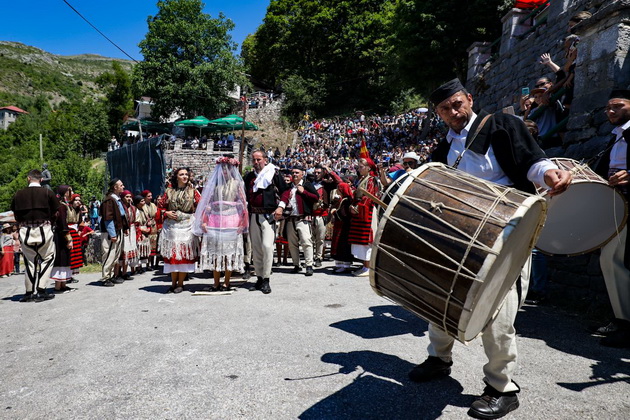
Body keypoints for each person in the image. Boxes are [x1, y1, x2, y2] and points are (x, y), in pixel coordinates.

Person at [409, 78, 572, 419]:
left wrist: (550, 174)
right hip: (459, 236)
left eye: (457, 104)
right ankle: (439, 359)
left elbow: (532, 161)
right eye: (445, 109)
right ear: (438, 114)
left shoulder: (502, 124)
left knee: (498, 313)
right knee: (442, 300)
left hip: (506, 231)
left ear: (469, 99)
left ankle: (502, 387)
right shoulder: (444, 148)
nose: (454, 112)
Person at [593, 89, 630, 348]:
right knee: (611, 260)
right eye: (608, 107)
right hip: (618, 205)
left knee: (613, 259)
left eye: (618, 106)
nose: (611, 111)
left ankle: (625, 323)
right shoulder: (617, 135)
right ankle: (621, 320)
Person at [193, 156, 249, 291]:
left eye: (227, 168)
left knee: (228, 252)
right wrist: (204, 220)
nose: (224, 171)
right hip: (215, 219)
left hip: (231, 219)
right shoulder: (215, 184)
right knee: (216, 252)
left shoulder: (237, 183)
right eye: (222, 168)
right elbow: (207, 203)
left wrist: (242, 222)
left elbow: (243, 204)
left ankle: (227, 282)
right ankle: (216, 281)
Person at [11, 169, 60, 302]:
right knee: (48, 258)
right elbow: (56, 211)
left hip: (25, 230)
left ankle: (29, 292)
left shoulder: (18, 194)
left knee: (29, 261)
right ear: (41, 179)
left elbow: (15, 213)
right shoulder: (47, 193)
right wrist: (51, 224)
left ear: (28, 179)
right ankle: (41, 290)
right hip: (44, 228)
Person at [244, 150, 289, 294]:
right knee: (256, 248)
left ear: (265, 160)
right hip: (253, 215)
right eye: (254, 160)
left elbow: (286, 191)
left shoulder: (274, 174)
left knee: (267, 246)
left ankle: (266, 279)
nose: (256, 163)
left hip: (268, 216)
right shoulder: (249, 177)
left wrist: (281, 207)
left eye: (258, 160)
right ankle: (259, 278)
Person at [158, 167, 201, 294]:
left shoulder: (194, 191)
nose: (184, 177)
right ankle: (173, 283)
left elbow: (201, 206)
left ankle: (180, 284)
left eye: (186, 174)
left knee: (183, 255)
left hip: (187, 225)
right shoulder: (169, 191)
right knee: (172, 255)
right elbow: (160, 207)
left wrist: (196, 218)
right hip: (171, 227)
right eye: (181, 174)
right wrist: (166, 213)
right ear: (176, 176)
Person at [274, 165, 319, 276]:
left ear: (302, 174)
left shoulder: (307, 185)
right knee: (292, 243)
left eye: (297, 173)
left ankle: (309, 265)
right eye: (293, 172)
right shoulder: (288, 187)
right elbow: (284, 197)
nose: (294, 175)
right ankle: (296, 264)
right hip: (290, 219)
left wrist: (304, 192)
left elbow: (316, 198)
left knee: (306, 241)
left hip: (303, 219)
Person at [348, 158, 380, 277]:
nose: (359, 169)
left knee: (366, 239)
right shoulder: (362, 179)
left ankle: (368, 267)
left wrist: (357, 208)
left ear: (369, 168)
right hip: (360, 210)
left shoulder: (371, 180)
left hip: (367, 211)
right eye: (359, 167)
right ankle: (364, 265)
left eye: (362, 167)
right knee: (360, 239)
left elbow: (369, 197)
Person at [99, 178, 129, 287]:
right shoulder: (109, 200)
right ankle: (105, 277)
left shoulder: (117, 200)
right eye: (121, 185)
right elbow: (108, 219)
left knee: (115, 255)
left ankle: (111, 276)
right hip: (111, 232)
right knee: (109, 254)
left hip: (118, 230)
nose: (123, 187)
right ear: (115, 187)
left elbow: (121, 216)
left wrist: (124, 228)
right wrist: (112, 234)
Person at [50, 185, 77, 293]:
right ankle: (58, 286)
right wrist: (69, 239)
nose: (71, 193)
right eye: (70, 191)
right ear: (65, 193)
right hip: (61, 236)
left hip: (62, 234)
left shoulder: (64, 205)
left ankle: (63, 285)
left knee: (65, 258)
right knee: (61, 258)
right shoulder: (61, 206)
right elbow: (62, 223)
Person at [119, 191, 139, 279]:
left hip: (132, 229)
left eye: (130, 196)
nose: (129, 198)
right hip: (123, 230)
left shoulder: (133, 208)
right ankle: (119, 273)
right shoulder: (120, 208)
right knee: (123, 251)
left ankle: (125, 272)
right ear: (122, 198)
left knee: (129, 251)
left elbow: (137, 221)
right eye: (127, 196)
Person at [140, 190, 160, 270]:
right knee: (147, 246)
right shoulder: (142, 206)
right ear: (144, 197)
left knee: (155, 245)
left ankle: (155, 264)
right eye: (148, 196)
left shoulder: (153, 205)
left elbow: (156, 215)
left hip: (154, 227)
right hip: (146, 227)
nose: (150, 197)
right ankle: (148, 265)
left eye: (151, 196)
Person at [134, 195, 152, 273]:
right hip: (139, 232)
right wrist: (141, 229)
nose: (143, 202)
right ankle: (138, 267)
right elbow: (136, 223)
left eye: (143, 200)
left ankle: (145, 265)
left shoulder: (144, 210)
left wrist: (148, 225)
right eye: (141, 201)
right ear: (137, 203)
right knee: (139, 249)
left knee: (144, 249)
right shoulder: (135, 211)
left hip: (145, 231)